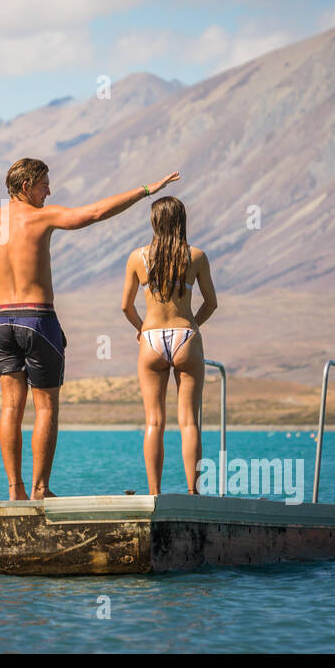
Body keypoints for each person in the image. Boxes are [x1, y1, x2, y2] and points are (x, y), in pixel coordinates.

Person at [0, 160, 179, 500]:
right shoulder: (41, 217)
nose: (49, 192)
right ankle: (40, 489)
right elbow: (96, 212)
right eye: (44, 185)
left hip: (3, 322)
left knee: (11, 407)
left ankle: (15, 489)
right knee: (45, 408)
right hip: (38, 320)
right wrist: (145, 190)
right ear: (26, 186)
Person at [120, 196, 217, 495]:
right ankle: (193, 492)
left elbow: (126, 306)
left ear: (154, 222)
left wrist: (141, 330)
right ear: (181, 221)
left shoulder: (137, 257)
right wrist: (193, 324)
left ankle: (154, 493)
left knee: (154, 421)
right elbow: (211, 303)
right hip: (186, 336)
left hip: (151, 338)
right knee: (188, 422)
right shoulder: (197, 256)